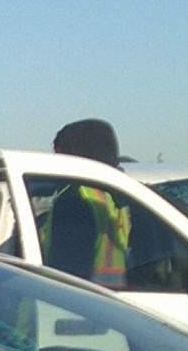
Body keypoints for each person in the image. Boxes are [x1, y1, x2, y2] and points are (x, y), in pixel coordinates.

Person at [43, 117, 133, 287]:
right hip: (116, 300)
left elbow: (66, 274)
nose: (55, 162)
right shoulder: (121, 196)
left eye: (59, 154)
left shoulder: (74, 200)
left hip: (80, 303)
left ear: (73, 155)